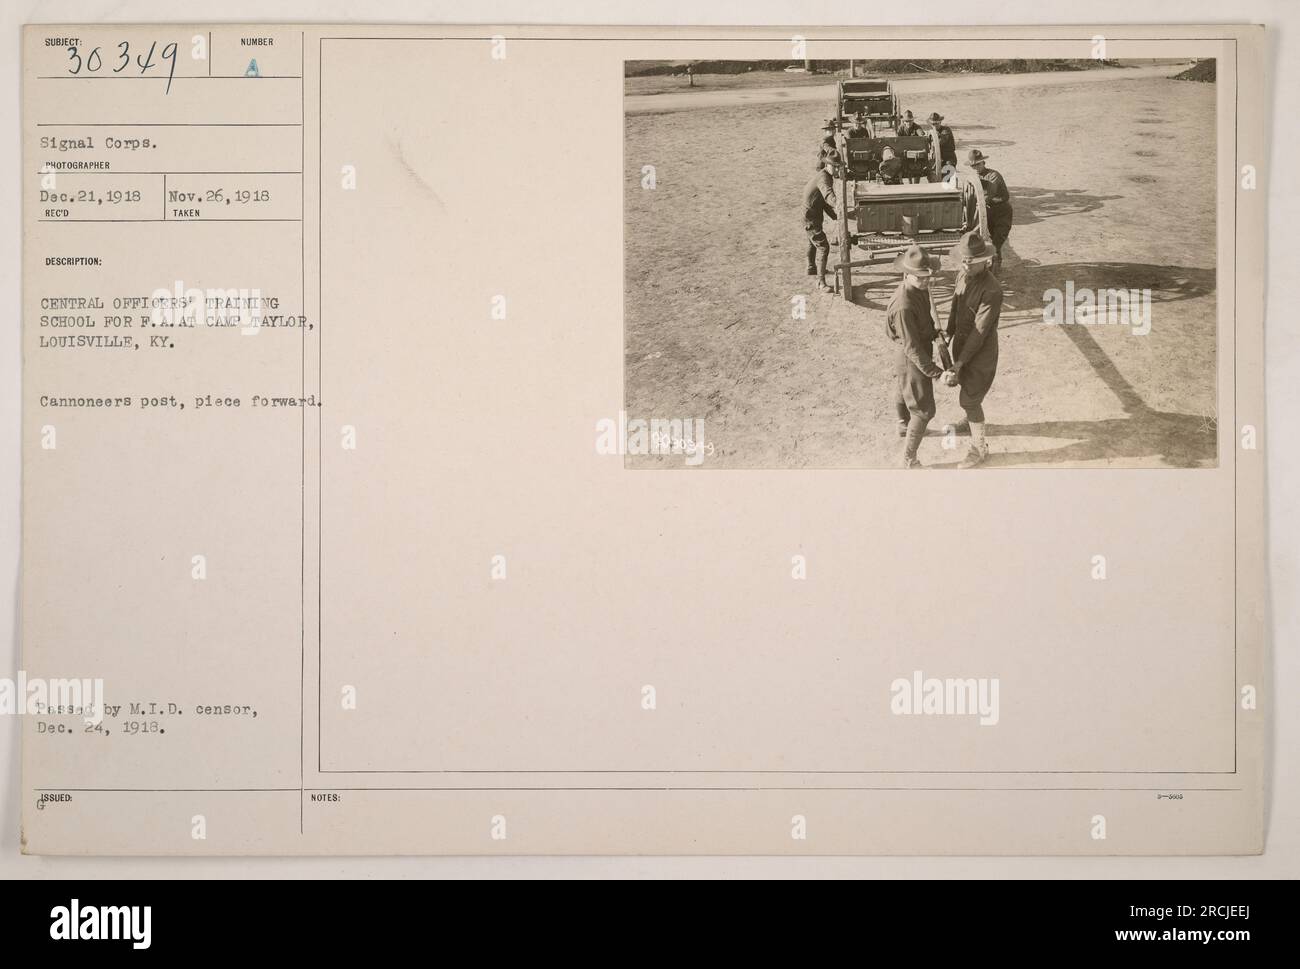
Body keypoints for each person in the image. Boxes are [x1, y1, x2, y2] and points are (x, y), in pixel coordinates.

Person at [886, 245, 952, 467]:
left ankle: (904, 426)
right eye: (920, 278)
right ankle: (909, 460)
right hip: (911, 357)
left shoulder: (919, 289)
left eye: (928, 277)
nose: (926, 282)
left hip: (915, 349)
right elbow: (912, 348)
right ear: (907, 274)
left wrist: (935, 333)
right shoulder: (903, 306)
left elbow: (924, 320)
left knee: (904, 391)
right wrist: (938, 373)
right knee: (924, 410)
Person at [942, 231, 1003, 469]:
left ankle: (979, 448)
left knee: (970, 398)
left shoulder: (993, 290)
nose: (965, 264)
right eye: (963, 260)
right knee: (968, 390)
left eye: (970, 261)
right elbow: (956, 306)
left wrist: (959, 363)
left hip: (980, 353)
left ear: (985, 261)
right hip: (962, 346)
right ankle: (970, 420)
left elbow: (980, 332)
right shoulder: (962, 275)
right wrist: (948, 332)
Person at [964, 148, 1012, 273]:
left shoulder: (993, 176)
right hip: (988, 212)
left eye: (978, 164)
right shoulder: (975, 177)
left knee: (997, 240)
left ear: (983, 163)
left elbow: (987, 196)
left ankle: (995, 268)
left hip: (1002, 211)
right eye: (973, 166)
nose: (975, 168)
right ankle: (995, 264)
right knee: (991, 239)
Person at [803, 155, 839, 291]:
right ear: (827, 166)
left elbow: (823, 202)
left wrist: (835, 216)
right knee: (823, 246)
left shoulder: (824, 175)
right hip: (811, 217)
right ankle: (820, 282)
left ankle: (811, 267)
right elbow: (828, 195)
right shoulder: (824, 179)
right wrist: (838, 205)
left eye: (838, 167)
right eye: (835, 167)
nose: (837, 170)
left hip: (811, 214)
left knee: (812, 242)